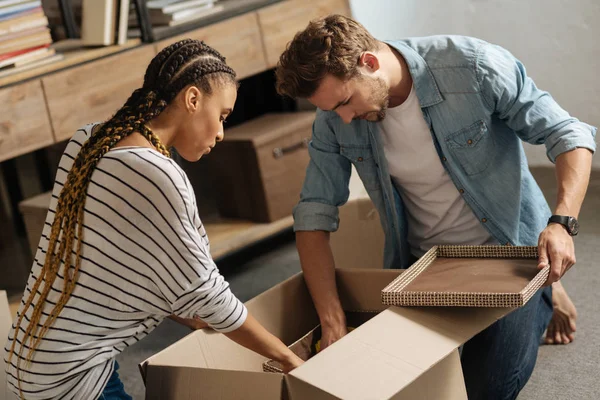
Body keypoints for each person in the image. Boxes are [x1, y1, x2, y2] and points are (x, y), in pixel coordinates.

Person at [275, 14, 595, 400]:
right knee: (394, 384)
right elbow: (313, 213)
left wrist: (561, 224)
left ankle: (545, 291)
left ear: (370, 63)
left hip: (510, 260)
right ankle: (548, 294)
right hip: (423, 265)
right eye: (331, 111)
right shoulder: (334, 118)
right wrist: (332, 320)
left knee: (480, 390)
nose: (343, 118)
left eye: (345, 102)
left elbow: (567, 133)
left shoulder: (473, 66)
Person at [4, 39, 303, 400]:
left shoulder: (88, 140)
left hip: (29, 359)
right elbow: (209, 293)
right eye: (222, 116)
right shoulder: (158, 175)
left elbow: (114, 268)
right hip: (72, 378)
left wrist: (184, 311)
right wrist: (287, 357)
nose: (222, 132)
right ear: (192, 99)